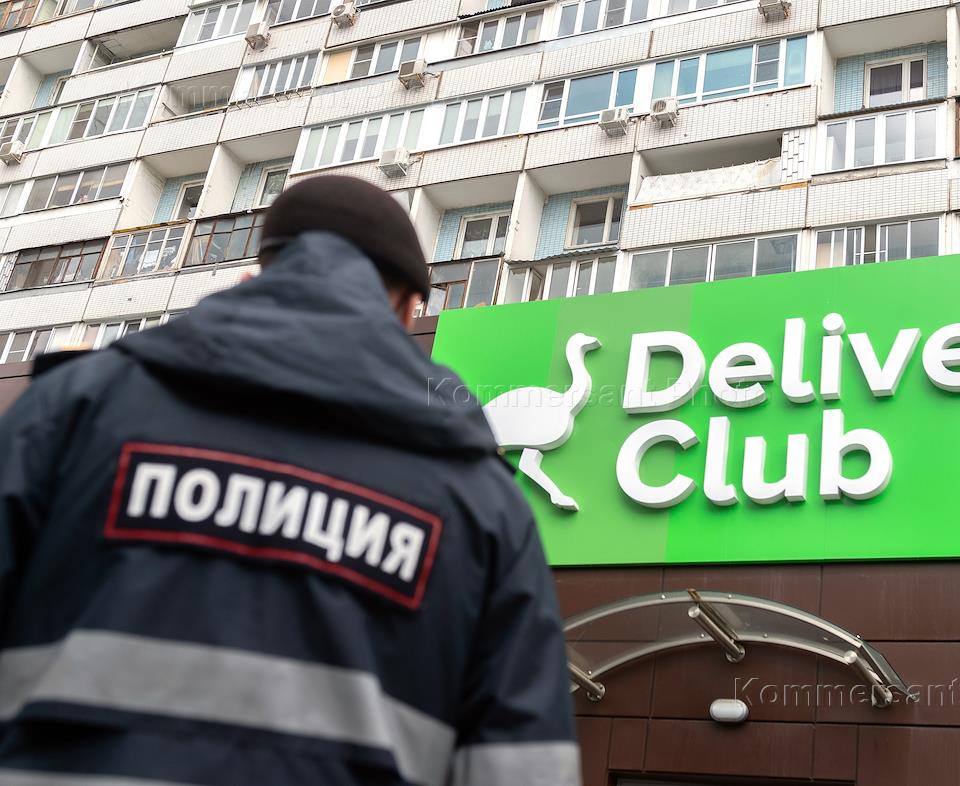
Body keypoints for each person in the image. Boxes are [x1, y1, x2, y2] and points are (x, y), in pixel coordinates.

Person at [0, 175, 580, 786]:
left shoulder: (73, 410)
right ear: (410, 308)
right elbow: (524, 767)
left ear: (261, 271)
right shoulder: (482, 502)